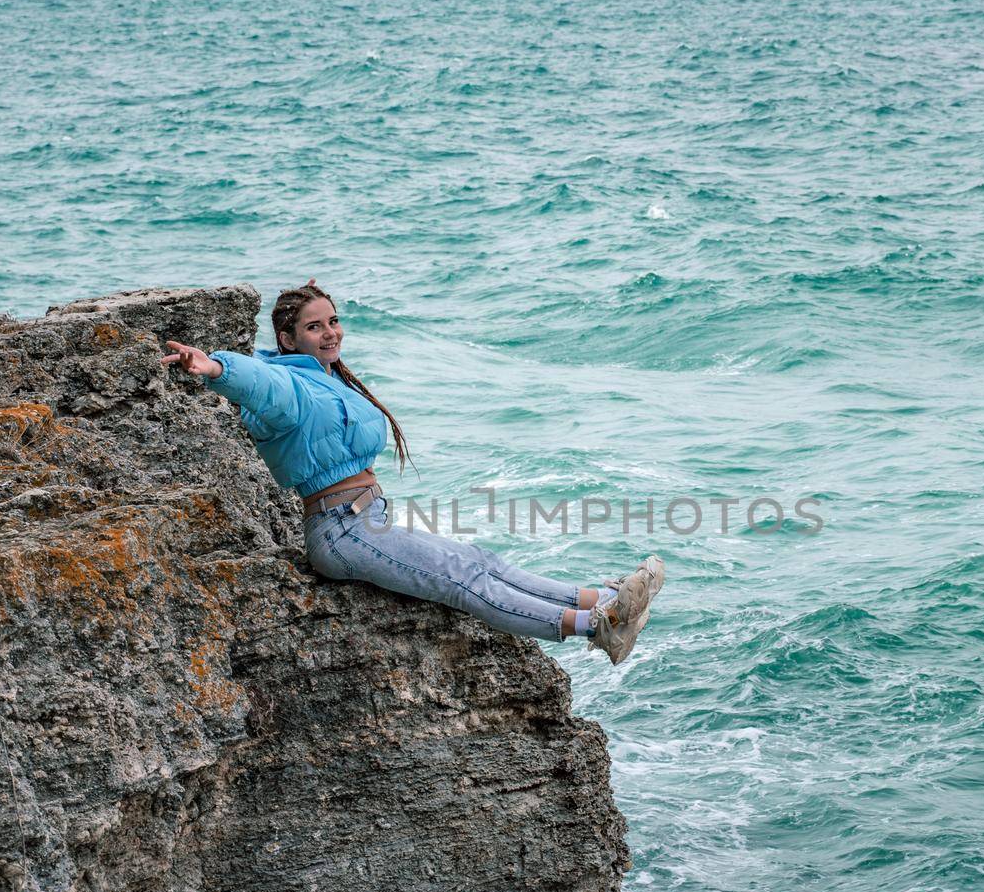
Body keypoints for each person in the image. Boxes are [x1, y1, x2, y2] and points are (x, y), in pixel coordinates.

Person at [159, 279, 664, 664]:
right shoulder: (288, 389)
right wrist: (216, 369)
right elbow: (260, 385)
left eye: (332, 320)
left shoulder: (328, 380)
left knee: (480, 559)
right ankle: (594, 627)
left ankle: (606, 598)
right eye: (314, 327)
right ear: (288, 339)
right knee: (462, 579)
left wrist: (304, 304)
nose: (330, 332)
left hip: (365, 521)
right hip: (339, 532)